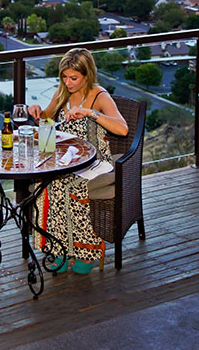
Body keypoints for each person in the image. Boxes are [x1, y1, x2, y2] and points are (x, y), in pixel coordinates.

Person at [28, 47, 128, 274]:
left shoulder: (99, 95)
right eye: (64, 76)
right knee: (46, 184)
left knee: (70, 186)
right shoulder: (62, 92)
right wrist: (37, 112)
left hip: (94, 161)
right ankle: (60, 249)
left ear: (87, 74)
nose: (68, 82)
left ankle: (85, 251)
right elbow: (47, 119)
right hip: (67, 159)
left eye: (74, 78)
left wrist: (89, 113)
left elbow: (122, 129)